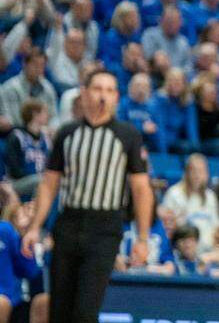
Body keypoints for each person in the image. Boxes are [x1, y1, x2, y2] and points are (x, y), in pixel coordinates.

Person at [21, 68, 154, 323]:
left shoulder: (128, 136)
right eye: (97, 89)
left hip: (104, 228)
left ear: (116, 97)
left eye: (109, 90)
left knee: (85, 312)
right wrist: (35, 226)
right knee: (59, 310)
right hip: (68, 223)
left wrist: (143, 238)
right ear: (84, 94)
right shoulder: (67, 133)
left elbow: (141, 189)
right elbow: (49, 184)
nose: (102, 96)